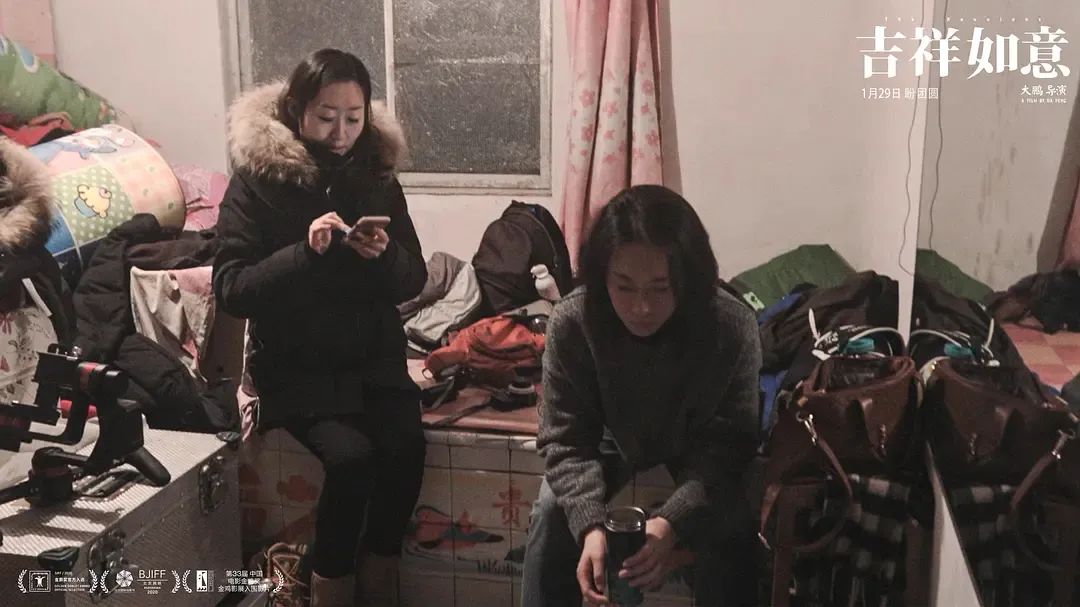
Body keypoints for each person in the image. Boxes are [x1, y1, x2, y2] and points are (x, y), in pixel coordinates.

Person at [213, 48, 427, 607]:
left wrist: (385, 255)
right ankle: (329, 591)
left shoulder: (376, 174)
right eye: (326, 117)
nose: (341, 133)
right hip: (297, 368)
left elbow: (415, 279)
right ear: (296, 110)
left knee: (406, 449)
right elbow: (232, 289)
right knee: (352, 461)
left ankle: (378, 587)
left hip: (374, 361)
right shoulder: (257, 180)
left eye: (354, 118)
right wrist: (304, 254)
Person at [521, 185, 761, 607]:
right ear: (602, 277)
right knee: (550, 512)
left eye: (660, 288)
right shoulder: (573, 320)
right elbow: (566, 439)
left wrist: (672, 522)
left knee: (736, 522)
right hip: (611, 432)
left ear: (689, 280)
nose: (642, 308)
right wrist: (589, 526)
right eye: (625, 287)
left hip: (699, 440)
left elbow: (730, 447)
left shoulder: (730, 326)